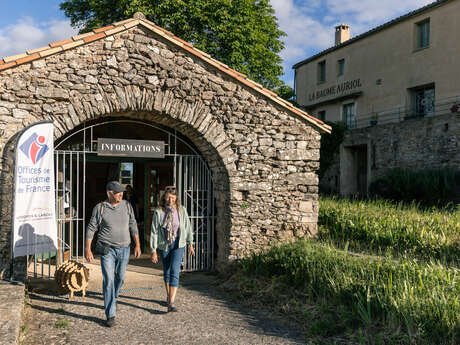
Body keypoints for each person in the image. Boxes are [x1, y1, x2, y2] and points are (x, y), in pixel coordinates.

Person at [85, 181, 141, 327]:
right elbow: (92, 228)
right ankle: (110, 314)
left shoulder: (127, 205)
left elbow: (133, 224)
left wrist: (138, 245)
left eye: (122, 192)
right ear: (109, 193)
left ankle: (113, 298)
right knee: (109, 280)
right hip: (107, 249)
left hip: (125, 248)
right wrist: (87, 248)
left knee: (120, 278)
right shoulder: (100, 208)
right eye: (118, 192)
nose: (121, 194)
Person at [150, 185, 194, 312]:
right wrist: (153, 250)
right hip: (164, 245)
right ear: (164, 198)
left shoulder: (181, 210)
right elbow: (154, 232)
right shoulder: (159, 212)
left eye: (173, 198)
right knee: (167, 271)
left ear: (176, 198)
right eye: (168, 197)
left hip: (178, 244)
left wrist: (190, 243)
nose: (170, 200)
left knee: (175, 270)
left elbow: (187, 226)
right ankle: (169, 296)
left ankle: (171, 302)